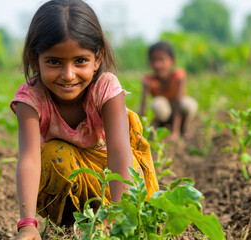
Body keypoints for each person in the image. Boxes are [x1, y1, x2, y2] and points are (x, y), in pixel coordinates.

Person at [10, 0, 158, 238]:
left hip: (115, 179)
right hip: (73, 178)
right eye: (54, 62)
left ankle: (110, 218)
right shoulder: (31, 98)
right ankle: (69, 228)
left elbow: (120, 153)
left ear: (97, 58)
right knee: (54, 156)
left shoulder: (105, 87)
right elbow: (29, 159)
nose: (68, 75)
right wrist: (27, 224)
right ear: (33, 58)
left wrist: (119, 216)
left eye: (80, 61)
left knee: (141, 214)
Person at [138, 41, 198, 140]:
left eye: (161, 60)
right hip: (164, 115)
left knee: (188, 104)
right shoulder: (149, 81)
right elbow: (142, 108)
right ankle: (159, 128)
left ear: (172, 61)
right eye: (153, 60)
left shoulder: (178, 77)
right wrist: (139, 132)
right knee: (157, 104)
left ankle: (184, 129)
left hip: (178, 111)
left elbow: (178, 103)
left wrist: (175, 132)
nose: (157, 65)